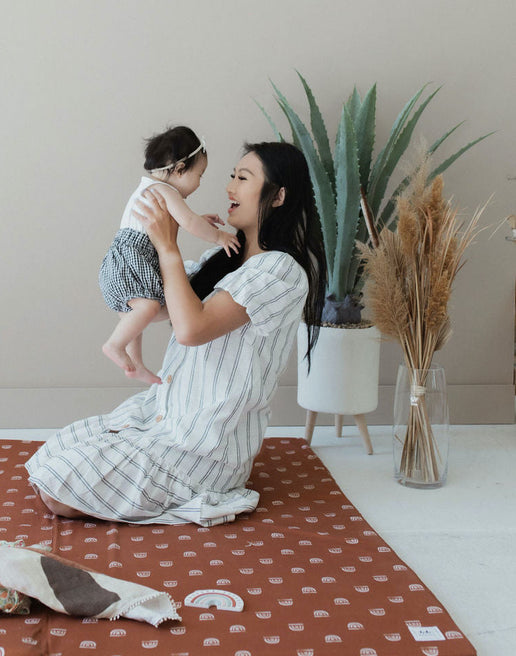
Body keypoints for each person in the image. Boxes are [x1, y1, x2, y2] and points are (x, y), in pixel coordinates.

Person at [26, 141, 326, 527]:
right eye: (231, 176)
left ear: (279, 195)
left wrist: (168, 246)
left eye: (244, 178)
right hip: (164, 415)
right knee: (50, 459)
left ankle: (204, 491)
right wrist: (135, 257)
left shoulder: (280, 271)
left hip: (204, 445)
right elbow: (161, 308)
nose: (230, 187)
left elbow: (190, 329)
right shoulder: (222, 261)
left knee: (58, 490)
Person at [99, 125, 240, 384]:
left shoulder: (150, 187)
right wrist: (219, 236)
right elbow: (186, 221)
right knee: (149, 307)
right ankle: (114, 345)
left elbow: (185, 219)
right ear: (179, 169)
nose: (199, 182)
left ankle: (136, 363)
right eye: (200, 175)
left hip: (121, 261)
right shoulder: (164, 190)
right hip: (132, 258)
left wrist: (199, 220)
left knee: (135, 315)